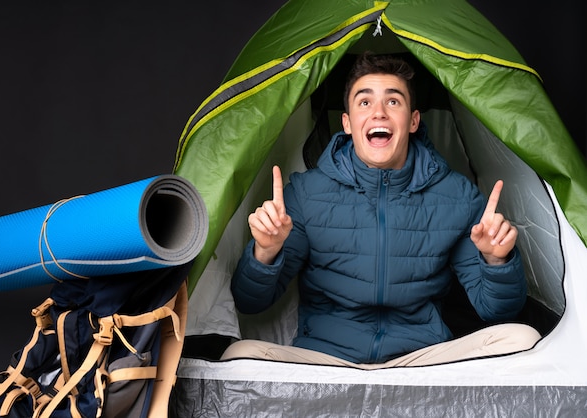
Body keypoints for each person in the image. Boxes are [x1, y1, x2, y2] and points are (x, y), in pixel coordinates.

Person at [221, 52, 540, 368]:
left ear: (413, 120)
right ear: (347, 123)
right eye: (364, 102)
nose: (379, 113)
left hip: (421, 362)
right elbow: (250, 302)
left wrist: (497, 262)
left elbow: (497, 312)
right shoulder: (306, 194)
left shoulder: (456, 196)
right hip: (326, 362)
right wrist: (265, 252)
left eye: (393, 101)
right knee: (238, 357)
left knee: (521, 339)